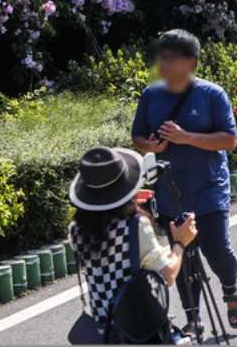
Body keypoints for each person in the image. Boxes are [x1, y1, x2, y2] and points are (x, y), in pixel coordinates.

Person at [132, 30, 237, 335]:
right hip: (171, 190)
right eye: (162, 57)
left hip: (209, 187)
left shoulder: (212, 95)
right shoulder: (151, 95)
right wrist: (151, 146)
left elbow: (229, 140)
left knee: (215, 248)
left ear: (191, 63)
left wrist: (186, 137)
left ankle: (230, 286)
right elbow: (138, 137)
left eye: (171, 58)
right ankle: (193, 316)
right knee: (181, 250)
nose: (164, 64)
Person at [67, 146, 198, 344]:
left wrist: (127, 203)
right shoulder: (135, 225)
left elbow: (110, 253)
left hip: (104, 331)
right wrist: (180, 242)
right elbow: (167, 275)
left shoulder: (76, 229)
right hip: (138, 326)